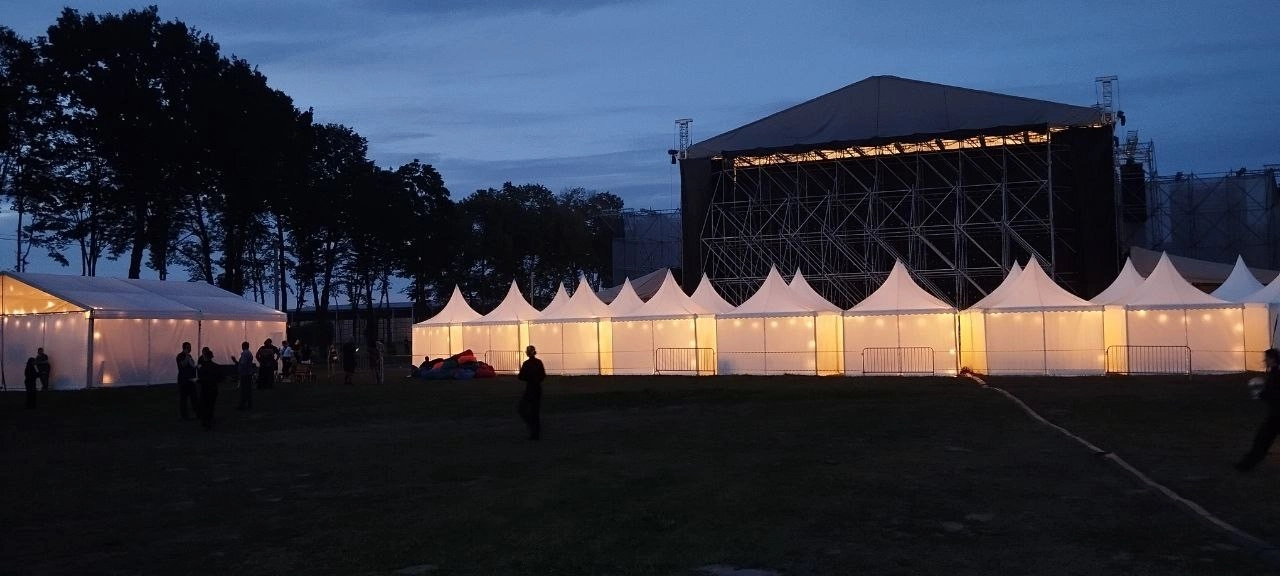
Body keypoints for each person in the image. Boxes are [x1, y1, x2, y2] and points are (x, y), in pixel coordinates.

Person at [1236, 348, 1280, 471]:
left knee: (1262, 439)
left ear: (1272, 360)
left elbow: (1274, 394)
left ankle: (1247, 464)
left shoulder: (1276, 375)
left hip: (1277, 415)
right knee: (1262, 439)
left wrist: (1261, 394)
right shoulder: (1274, 373)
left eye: (1267, 358)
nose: (1265, 360)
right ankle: (1247, 464)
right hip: (1276, 413)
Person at [517, 345, 546, 441]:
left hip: (530, 388)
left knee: (522, 408)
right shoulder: (539, 362)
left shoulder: (526, 364)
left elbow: (521, 377)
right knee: (535, 411)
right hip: (537, 388)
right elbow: (543, 375)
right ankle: (536, 432)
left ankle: (532, 426)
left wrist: (529, 378)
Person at [196, 347, 223, 430]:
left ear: (205, 356)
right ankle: (210, 421)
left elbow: (201, 379)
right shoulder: (216, 366)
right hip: (213, 389)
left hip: (205, 389)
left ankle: (205, 422)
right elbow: (220, 378)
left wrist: (197, 380)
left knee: (204, 406)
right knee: (211, 406)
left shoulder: (202, 368)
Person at [176, 342, 199, 420]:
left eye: (190, 347)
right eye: (188, 347)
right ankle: (184, 416)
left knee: (194, 398)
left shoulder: (189, 356)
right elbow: (183, 364)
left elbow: (192, 365)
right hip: (183, 381)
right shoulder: (180, 356)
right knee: (184, 399)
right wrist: (186, 356)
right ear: (184, 348)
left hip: (191, 380)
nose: (190, 349)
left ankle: (197, 413)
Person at [234, 342, 255, 411]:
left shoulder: (245, 354)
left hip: (245, 374)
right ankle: (249, 404)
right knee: (248, 390)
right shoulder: (249, 353)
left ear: (243, 346)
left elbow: (243, 364)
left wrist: (236, 363)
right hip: (247, 373)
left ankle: (243, 404)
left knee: (244, 390)